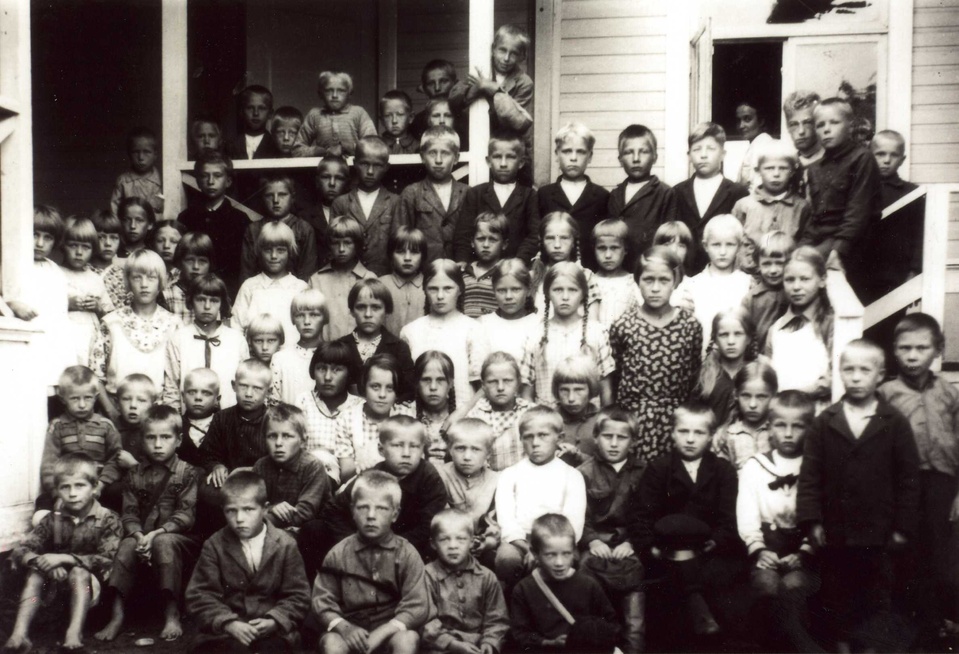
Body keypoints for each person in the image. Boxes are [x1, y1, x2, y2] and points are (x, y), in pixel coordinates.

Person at [797, 339, 921, 652]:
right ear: (839, 372)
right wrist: (812, 521)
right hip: (836, 531)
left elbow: (908, 480)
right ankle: (842, 648)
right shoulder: (824, 422)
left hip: (878, 532)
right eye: (848, 369)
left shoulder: (894, 422)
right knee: (836, 593)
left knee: (875, 594)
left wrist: (902, 527)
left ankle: (870, 649)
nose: (855, 377)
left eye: (864, 370)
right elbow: (810, 476)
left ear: (880, 375)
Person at [627, 402, 743, 637]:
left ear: (711, 436)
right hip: (665, 551)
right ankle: (700, 616)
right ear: (672, 433)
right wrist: (651, 547)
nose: (690, 439)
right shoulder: (659, 468)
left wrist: (716, 542)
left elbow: (729, 517)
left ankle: (710, 622)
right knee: (673, 568)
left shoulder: (723, 470)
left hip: (709, 549)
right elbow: (641, 516)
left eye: (699, 432)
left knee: (720, 576)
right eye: (683, 431)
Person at [879, 313, 959, 641]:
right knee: (906, 553)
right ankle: (911, 626)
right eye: (905, 348)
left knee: (939, 554)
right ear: (894, 350)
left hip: (942, 483)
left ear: (938, 349)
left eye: (921, 348)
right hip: (902, 486)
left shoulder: (949, 392)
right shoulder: (885, 393)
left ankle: (939, 622)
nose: (912, 356)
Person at [95, 405, 201, 643]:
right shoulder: (134, 475)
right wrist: (138, 535)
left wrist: (156, 534)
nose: (158, 444)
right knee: (126, 545)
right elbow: (129, 513)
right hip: (143, 536)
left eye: (165, 437)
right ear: (142, 440)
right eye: (151, 438)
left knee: (163, 542)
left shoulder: (187, 473)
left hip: (179, 539)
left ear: (178, 440)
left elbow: (186, 515)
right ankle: (117, 615)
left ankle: (171, 613)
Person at [4, 453, 122, 654]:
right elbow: (22, 549)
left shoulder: (107, 518)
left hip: (93, 594)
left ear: (94, 487)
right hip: (57, 592)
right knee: (36, 574)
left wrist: (64, 559)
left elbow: (106, 559)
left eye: (79, 486)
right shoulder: (53, 519)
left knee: (79, 573)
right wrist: (43, 562)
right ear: (57, 490)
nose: (72, 493)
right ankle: (20, 634)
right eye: (65, 487)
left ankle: (74, 634)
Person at [186, 470, 311, 652]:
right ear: (223, 510)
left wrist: (275, 620)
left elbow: (298, 595)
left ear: (265, 509)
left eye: (248, 509)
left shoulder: (285, 544)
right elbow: (200, 595)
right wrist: (228, 623)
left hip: (271, 631)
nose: (239, 519)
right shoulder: (214, 545)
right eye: (231, 511)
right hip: (226, 632)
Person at [736, 390, 821, 652]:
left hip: (803, 554)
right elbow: (747, 515)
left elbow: (821, 515)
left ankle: (798, 645)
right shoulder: (755, 466)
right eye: (780, 425)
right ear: (769, 427)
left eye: (798, 426)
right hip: (766, 551)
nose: (788, 434)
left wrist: (804, 552)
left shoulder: (816, 467)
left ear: (810, 428)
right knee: (767, 584)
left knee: (794, 585)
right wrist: (759, 550)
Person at [312, 470, 429, 654]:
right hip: (351, 631)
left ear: (395, 514)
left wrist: (384, 631)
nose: (371, 515)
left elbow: (417, 604)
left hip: (390, 630)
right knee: (332, 643)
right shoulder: (338, 553)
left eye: (381, 508)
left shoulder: (406, 553)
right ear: (352, 511)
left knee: (407, 639)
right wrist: (345, 628)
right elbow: (322, 601)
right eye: (363, 507)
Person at [610, 246, 702, 459]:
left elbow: (693, 376)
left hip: (676, 423)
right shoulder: (624, 325)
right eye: (648, 280)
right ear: (637, 280)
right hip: (633, 422)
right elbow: (617, 375)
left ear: (675, 282)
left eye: (664, 280)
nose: (655, 288)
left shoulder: (690, 326)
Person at [577, 406, 648, 654]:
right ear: (596, 437)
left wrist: (631, 543)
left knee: (635, 573)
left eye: (622, 437)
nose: (614, 443)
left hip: (629, 544)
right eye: (608, 436)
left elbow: (648, 516)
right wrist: (592, 541)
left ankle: (633, 645)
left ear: (634, 441)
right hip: (596, 545)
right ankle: (598, 644)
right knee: (585, 572)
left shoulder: (645, 472)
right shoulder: (584, 473)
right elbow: (580, 516)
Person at [494, 405, 587, 591]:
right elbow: (507, 521)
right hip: (520, 541)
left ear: (559, 438)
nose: (535, 442)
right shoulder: (509, 474)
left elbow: (574, 524)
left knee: (572, 561)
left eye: (543, 435)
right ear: (521, 439)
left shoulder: (572, 475)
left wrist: (545, 551)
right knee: (506, 559)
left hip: (559, 541)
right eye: (528, 436)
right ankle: (515, 602)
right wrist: (527, 549)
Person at [800, 97, 882, 301]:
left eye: (834, 122)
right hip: (820, 238)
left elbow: (858, 212)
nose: (826, 130)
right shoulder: (815, 168)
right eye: (820, 125)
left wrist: (838, 250)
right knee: (788, 261)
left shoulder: (862, 158)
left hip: (850, 243)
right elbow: (816, 216)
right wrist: (802, 244)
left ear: (850, 126)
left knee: (802, 267)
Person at [510, 514, 620, 653]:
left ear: (574, 551)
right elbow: (520, 633)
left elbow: (612, 624)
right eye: (551, 555)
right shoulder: (524, 589)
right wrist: (548, 643)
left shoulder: (588, 585)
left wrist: (589, 636)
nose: (559, 563)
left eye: (566, 554)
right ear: (535, 553)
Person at [94, 250, 180, 422]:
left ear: (161, 281)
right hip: (117, 416)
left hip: (159, 418)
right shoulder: (111, 323)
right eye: (137, 277)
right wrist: (111, 412)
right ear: (127, 281)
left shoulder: (173, 324)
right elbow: (96, 375)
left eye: (151, 278)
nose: (144, 284)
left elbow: (176, 378)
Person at [520, 262, 614, 407]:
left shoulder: (597, 333)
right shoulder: (535, 335)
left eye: (572, 290)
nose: (565, 297)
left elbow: (606, 390)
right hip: (547, 417)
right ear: (547, 293)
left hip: (588, 418)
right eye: (558, 290)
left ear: (583, 293)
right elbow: (527, 392)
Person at [195, 359, 272, 530]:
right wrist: (216, 466)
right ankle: (215, 538)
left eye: (257, 388)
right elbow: (207, 453)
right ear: (233, 385)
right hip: (230, 482)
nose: (249, 394)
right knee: (208, 490)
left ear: (268, 391)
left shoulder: (272, 421)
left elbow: (278, 459)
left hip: (263, 480)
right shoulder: (222, 418)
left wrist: (252, 470)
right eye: (243, 386)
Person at [422, 509, 510, 654]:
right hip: (441, 647)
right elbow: (425, 620)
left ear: (471, 542)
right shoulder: (427, 576)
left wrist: (489, 642)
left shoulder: (486, 577)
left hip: (478, 647)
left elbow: (497, 618)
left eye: (461, 539)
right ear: (433, 543)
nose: (453, 545)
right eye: (444, 539)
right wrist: (451, 644)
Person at [402, 259, 488, 406]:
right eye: (433, 289)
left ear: (460, 289)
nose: (440, 296)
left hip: (464, 413)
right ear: (424, 289)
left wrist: (460, 414)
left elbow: (483, 387)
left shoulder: (473, 329)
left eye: (448, 288)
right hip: (420, 414)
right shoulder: (410, 331)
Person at [38, 365, 123, 511]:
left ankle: (108, 521)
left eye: (88, 398)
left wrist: (101, 484)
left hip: (98, 486)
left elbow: (115, 459)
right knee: (42, 502)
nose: (82, 405)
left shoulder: (106, 426)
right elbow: (49, 463)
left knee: (118, 492)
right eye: (75, 398)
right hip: (69, 487)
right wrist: (57, 493)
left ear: (96, 397)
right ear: (63, 399)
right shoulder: (57, 426)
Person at [450, 24, 534, 163]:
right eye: (502, 50)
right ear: (493, 48)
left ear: (522, 56)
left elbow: (514, 121)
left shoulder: (524, 82)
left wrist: (495, 90)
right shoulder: (481, 68)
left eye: (513, 53)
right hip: (476, 142)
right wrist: (478, 87)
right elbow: (453, 100)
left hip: (508, 146)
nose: (506, 58)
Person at [162, 273, 248, 411]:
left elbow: (244, 385)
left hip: (228, 419)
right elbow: (171, 387)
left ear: (222, 304)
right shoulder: (178, 339)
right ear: (191, 302)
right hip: (188, 418)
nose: (207, 306)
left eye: (214, 300)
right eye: (201, 300)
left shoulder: (236, 340)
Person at [673, 122, 750, 275]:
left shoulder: (737, 192)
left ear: (723, 154)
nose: (703, 155)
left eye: (711, 149)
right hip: (686, 273)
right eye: (697, 149)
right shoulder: (677, 192)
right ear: (689, 156)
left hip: (725, 273)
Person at [453, 133, 540, 266]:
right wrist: (462, 260)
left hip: (515, 267)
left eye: (510, 157)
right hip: (481, 267)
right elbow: (463, 234)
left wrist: (520, 260)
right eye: (498, 157)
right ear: (488, 161)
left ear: (521, 162)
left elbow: (534, 235)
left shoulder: (529, 195)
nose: (503, 164)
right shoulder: (476, 193)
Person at [537, 122, 611, 271]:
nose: (573, 158)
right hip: (552, 271)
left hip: (590, 269)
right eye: (567, 151)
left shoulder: (601, 196)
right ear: (556, 154)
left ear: (590, 156)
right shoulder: (544, 194)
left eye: (581, 152)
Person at [765, 246, 833, 406]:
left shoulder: (829, 324)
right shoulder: (776, 328)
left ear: (822, 280)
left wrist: (796, 395)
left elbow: (834, 377)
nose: (796, 287)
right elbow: (768, 373)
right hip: (780, 411)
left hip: (817, 409)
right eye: (789, 280)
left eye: (805, 279)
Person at [332, 354, 417, 481]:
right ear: (364, 387)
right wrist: (363, 468)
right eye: (375, 387)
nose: (382, 395)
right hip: (360, 484)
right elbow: (345, 473)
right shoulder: (347, 419)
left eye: (390, 388)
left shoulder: (406, 417)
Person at [177, 150, 250, 296]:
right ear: (198, 181)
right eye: (205, 176)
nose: (211, 181)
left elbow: (242, 266)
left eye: (217, 175)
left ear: (228, 181)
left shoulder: (240, 220)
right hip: (192, 291)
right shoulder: (186, 218)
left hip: (227, 291)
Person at [733, 139, 810, 275]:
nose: (776, 174)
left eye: (783, 168)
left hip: (787, 276)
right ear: (758, 170)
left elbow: (804, 244)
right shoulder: (744, 205)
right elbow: (734, 243)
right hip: (749, 276)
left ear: (792, 171)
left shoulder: (802, 207)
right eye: (769, 168)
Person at [607, 124, 677, 268]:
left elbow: (669, 239)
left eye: (643, 152)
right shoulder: (615, 195)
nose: (636, 158)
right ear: (620, 159)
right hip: (618, 269)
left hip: (650, 268)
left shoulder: (664, 193)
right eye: (629, 152)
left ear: (655, 157)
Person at [395, 126, 469, 262]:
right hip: (424, 268)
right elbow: (400, 238)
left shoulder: (467, 192)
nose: (438, 160)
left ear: (456, 158)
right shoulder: (411, 193)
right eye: (432, 153)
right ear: (422, 157)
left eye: (445, 153)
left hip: (457, 268)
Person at [295, 341, 364, 484]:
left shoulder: (359, 407)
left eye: (336, 370)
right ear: (313, 371)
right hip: (307, 479)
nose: (327, 377)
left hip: (349, 482)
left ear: (349, 373)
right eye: (321, 368)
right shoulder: (304, 401)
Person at [253, 403, 331, 530]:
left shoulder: (313, 466)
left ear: (303, 441)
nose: (278, 443)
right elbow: (252, 503)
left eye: (287, 436)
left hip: (305, 529)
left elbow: (305, 513)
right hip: (273, 527)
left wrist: (260, 520)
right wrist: (272, 508)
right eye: (272, 436)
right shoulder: (261, 466)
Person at [336, 278, 415, 402]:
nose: (368, 314)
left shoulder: (398, 348)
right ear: (352, 311)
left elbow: (409, 391)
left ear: (387, 311)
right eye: (361, 307)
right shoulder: (341, 346)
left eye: (376, 307)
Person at [329, 136, 400, 276]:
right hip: (349, 277)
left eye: (377, 165)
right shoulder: (341, 203)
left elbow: (399, 245)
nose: (370, 171)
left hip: (384, 277)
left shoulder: (395, 202)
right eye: (364, 164)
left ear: (386, 167)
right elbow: (333, 243)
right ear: (355, 163)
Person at [233, 221, 310, 349]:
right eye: (268, 250)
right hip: (255, 358)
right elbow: (236, 327)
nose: (274, 256)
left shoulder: (300, 288)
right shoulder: (250, 286)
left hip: (292, 357)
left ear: (290, 252)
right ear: (259, 251)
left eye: (281, 250)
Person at [685, 214, 752, 351]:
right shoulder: (692, 285)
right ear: (705, 245)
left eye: (730, 244)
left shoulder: (748, 283)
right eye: (716, 245)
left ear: (739, 246)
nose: (723, 252)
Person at [436, 420, 501, 558]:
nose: (467, 457)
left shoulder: (497, 481)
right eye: (460, 448)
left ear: (488, 453)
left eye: (476, 449)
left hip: (483, 546)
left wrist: (487, 542)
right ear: (450, 449)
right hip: (448, 545)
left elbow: (496, 523)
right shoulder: (439, 475)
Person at [871, 129, 923, 299]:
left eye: (893, 155)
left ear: (902, 159)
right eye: (880, 154)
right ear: (869, 156)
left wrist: (914, 271)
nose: (886, 160)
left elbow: (919, 235)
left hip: (896, 275)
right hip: (860, 274)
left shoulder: (913, 193)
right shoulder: (860, 189)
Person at [240, 174, 320, 284]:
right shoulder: (253, 230)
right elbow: (247, 272)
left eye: (282, 195)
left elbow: (307, 271)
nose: (276, 200)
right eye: (269, 195)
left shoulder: (304, 229)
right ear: (262, 198)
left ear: (292, 198)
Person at [309, 216, 377, 341]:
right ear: (329, 245)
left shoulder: (369, 279)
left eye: (347, 243)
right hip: (326, 349)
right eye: (336, 243)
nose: (341, 249)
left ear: (357, 244)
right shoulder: (317, 280)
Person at [60, 216, 115, 367]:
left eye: (85, 247)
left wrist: (97, 307)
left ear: (93, 249)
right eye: (73, 245)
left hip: (90, 340)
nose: (79, 252)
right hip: (64, 338)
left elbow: (110, 315)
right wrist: (67, 304)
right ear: (63, 245)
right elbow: (44, 306)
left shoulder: (95, 279)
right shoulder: (56, 273)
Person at [466, 352, 532, 472]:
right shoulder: (475, 417)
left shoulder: (531, 412)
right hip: (489, 480)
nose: (500, 387)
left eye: (507, 380)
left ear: (518, 383)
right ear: (483, 385)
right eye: (492, 381)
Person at [529, 211, 601, 319]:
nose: (557, 245)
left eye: (564, 238)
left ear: (574, 241)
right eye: (550, 238)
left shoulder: (585, 276)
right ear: (542, 240)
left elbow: (593, 320)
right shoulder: (532, 276)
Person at [697, 307, 761, 427]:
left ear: (749, 338)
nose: (731, 341)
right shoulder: (702, 377)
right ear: (715, 339)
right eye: (724, 335)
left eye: (738, 334)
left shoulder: (757, 374)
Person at [712, 360, 778, 470]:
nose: (752, 405)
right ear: (736, 395)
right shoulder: (727, 436)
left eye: (761, 397)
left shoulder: (779, 432)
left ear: (774, 396)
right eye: (746, 396)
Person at [294, 71, 376, 157]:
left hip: (354, 165)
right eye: (329, 91)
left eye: (341, 91)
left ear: (350, 93)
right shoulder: (314, 115)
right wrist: (322, 151)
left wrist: (346, 148)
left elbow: (373, 146)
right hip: (323, 164)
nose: (335, 95)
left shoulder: (359, 113)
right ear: (320, 94)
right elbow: (296, 150)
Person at [268, 288, 328, 405]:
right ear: (293, 319)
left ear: (325, 318)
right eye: (300, 315)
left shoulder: (333, 355)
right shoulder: (280, 358)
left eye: (314, 315)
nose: (307, 321)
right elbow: (274, 404)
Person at [476, 258, 539, 364]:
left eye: (515, 289)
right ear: (493, 291)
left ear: (528, 290)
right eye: (501, 290)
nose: (508, 296)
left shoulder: (539, 325)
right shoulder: (482, 324)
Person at [741, 230, 793, 351]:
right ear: (758, 264)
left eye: (779, 263)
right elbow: (744, 335)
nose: (773, 270)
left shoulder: (794, 293)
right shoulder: (752, 299)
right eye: (766, 264)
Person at [592, 219, 642, 329]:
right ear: (594, 249)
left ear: (625, 249)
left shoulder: (633, 282)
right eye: (602, 248)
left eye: (614, 248)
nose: (608, 255)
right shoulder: (589, 281)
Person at [552, 355, 602, 465]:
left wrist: (578, 455)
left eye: (578, 390)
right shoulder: (548, 420)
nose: (571, 398)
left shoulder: (602, 420)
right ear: (556, 390)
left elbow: (608, 467)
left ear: (591, 389)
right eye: (564, 390)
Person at [380, 226, 428, 336]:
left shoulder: (430, 285)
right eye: (400, 252)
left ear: (423, 256)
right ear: (391, 255)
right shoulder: (381, 285)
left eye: (414, 252)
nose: (407, 258)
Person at [461, 212, 509, 318]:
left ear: (504, 244)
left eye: (493, 240)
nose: (486, 245)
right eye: (481, 239)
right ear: (472, 242)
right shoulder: (464, 272)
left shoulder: (506, 273)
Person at [413, 350, 457, 463]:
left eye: (440, 380)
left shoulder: (461, 417)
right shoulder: (407, 415)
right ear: (416, 383)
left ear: (451, 383)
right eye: (426, 380)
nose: (433, 387)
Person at [411, 59, 467, 146]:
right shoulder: (417, 122)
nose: (437, 88)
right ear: (424, 88)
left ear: (454, 83)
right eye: (431, 83)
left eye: (443, 81)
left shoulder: (466, 117)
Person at [110, 126, 164, 216]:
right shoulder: (123, 181)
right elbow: (115, 211)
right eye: (136, 152)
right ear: (129, 154)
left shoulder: (162, 180)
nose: (141, 157)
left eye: (146, 152)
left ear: (155, 155)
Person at [166, 231, 216, 325]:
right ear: (180, 262)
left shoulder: (216, 294)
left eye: (202, 261)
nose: (196, 267)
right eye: (190, 260)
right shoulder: (168, 295)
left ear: (210, 264)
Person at [303, 155, 351, 251]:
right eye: (326, 177)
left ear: (347, 183)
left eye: (339, 178)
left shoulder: (353, 213)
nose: (332, 183)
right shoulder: (306, 216)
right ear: (317, 181)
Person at [177, 367, 221, 467]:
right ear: (183, 396)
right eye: (192, 392)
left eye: (206, 393)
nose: (198, 398)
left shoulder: (224, 426)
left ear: (217, 400)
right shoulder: (177, 425)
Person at [782, 91, 824, 196]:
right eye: (794, 124)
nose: (801, 131)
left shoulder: (833, 161)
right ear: (787, 127)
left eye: (807, 122)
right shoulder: (786, 166)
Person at [114, 372, 158, 467]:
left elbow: (156, 472)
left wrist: (133, 465)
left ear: (153, 406)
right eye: (126, 399)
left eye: (141, 400)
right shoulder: (110, 429)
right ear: (117, 403)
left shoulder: (154, 434)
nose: (133, 405)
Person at [226, 85, 280, 160]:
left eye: (261, 108)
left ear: (270, 113)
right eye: (250, 108)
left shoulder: (276, 146)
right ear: (241, 112)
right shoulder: (230, 146)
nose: (256, 113)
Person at [91, 209, 129, 309]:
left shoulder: (123, 275)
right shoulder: (83, 270)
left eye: (114, 238)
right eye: (101, 237)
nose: (108, 243)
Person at [735, 100, 773, 190]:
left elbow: (757, 188)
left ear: (761, 121)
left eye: (747, 119)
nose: (741, 126)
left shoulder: (763, 145)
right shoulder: (755, 145)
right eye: (738, 121)